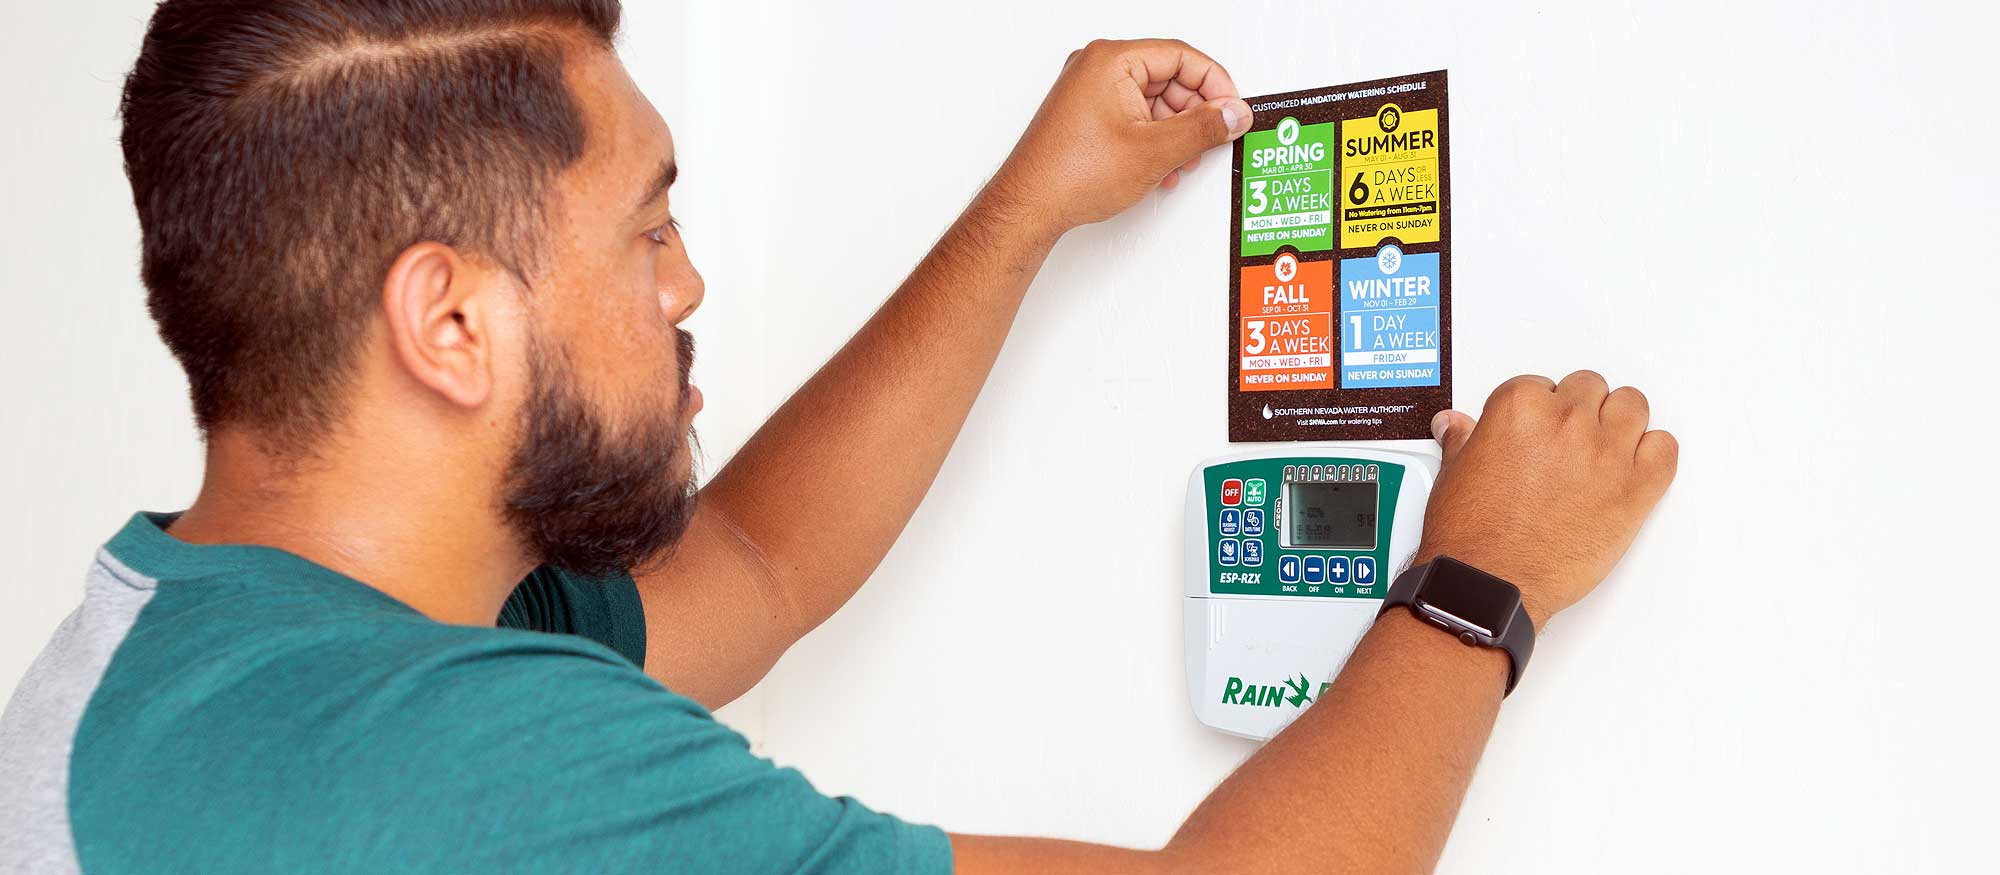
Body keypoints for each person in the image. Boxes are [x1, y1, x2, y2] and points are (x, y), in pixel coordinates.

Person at [0, 1, 1677, 872]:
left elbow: (755, 563)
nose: (690, 281)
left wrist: (1027, 213)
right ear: (451, 324)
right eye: (646, 231)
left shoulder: (232, 640)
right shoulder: (450, 774)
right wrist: (1484, 573)